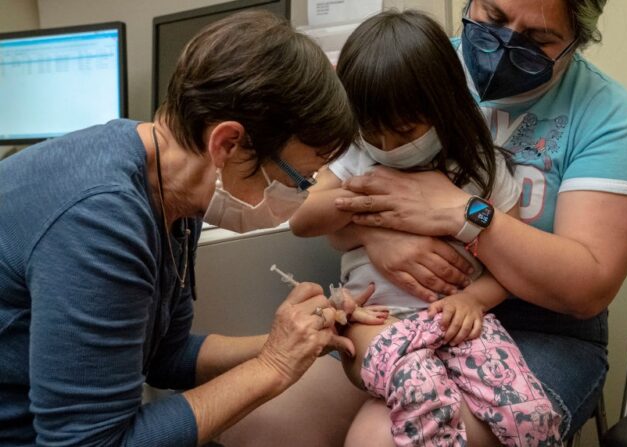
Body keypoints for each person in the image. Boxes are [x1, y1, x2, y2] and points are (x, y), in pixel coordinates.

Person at [221, 0, 627, 446]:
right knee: (261, 423)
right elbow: (318, 207)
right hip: (391, 309)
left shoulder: (603, 112)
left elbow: (587, 288)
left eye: (538, 39)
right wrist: (382, 230)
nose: (505, 45)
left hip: (537, 325)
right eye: (494, 19)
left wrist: (459, 213)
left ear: (577, 40)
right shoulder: (408, 64)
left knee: (381, 438)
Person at [0, 11, 385, 447]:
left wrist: (299, 341)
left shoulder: (173, 189)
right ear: (227, 143)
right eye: (298, 180)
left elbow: (166, 357)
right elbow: (88, 444)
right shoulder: (101, 219)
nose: (300, 196)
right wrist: (273, 366)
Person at [289, 10, 562, 447]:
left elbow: (511, 268)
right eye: (372, 131)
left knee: (528, 414)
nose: (387, 146)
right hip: (375, 319)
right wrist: (365, 202)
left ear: (443, 107)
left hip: (459, 323)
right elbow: (302, 220)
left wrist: (474, 299)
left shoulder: (479, 166)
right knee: (422, 392)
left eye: (404, 131)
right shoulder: (355, 158)